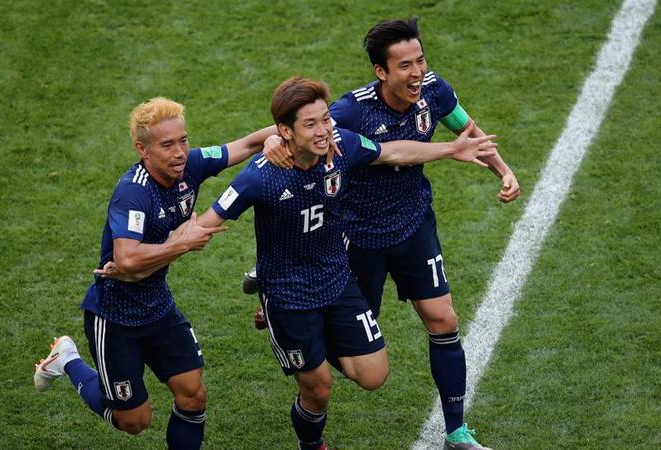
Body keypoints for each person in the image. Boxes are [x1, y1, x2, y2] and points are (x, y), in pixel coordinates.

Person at [254, 18, 520, 450]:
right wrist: (271, 143)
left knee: (443, 319)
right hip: (357, 236)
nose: (417, 73)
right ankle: (284, 308)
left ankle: (457, 432)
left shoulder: (434, 91)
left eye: (421, 60)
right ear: (382, 72)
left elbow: (468, 132)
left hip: (414, 224)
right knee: (359, 353)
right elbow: (295, 127)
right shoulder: (351, 110)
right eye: (405, 66)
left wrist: (503, 170)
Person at [196, 77, 498, 450]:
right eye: (312, 124)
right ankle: (312, 445)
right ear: (285, 131)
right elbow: (207, 223)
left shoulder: (344, 147)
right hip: (289, 292)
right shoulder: (261, 176)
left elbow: (393, 153)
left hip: (336, 279)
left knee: (374, 375)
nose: (324, 130)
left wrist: (450, 149)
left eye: (326, 120)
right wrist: (151, 254)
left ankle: (297, 334)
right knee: (318, 386)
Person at [32, 97, 276, 449]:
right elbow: (127, 260)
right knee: (134, 421)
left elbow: (251, 143)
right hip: (114, 316)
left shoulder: (190, 165)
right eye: (167, 145)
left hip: (158, 305)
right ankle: (68, 358)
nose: (179, 152)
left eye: (183, 140)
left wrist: (283, 136)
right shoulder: (133, 193)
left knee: (193, 396)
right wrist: (181, 242)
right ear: (142, 149)